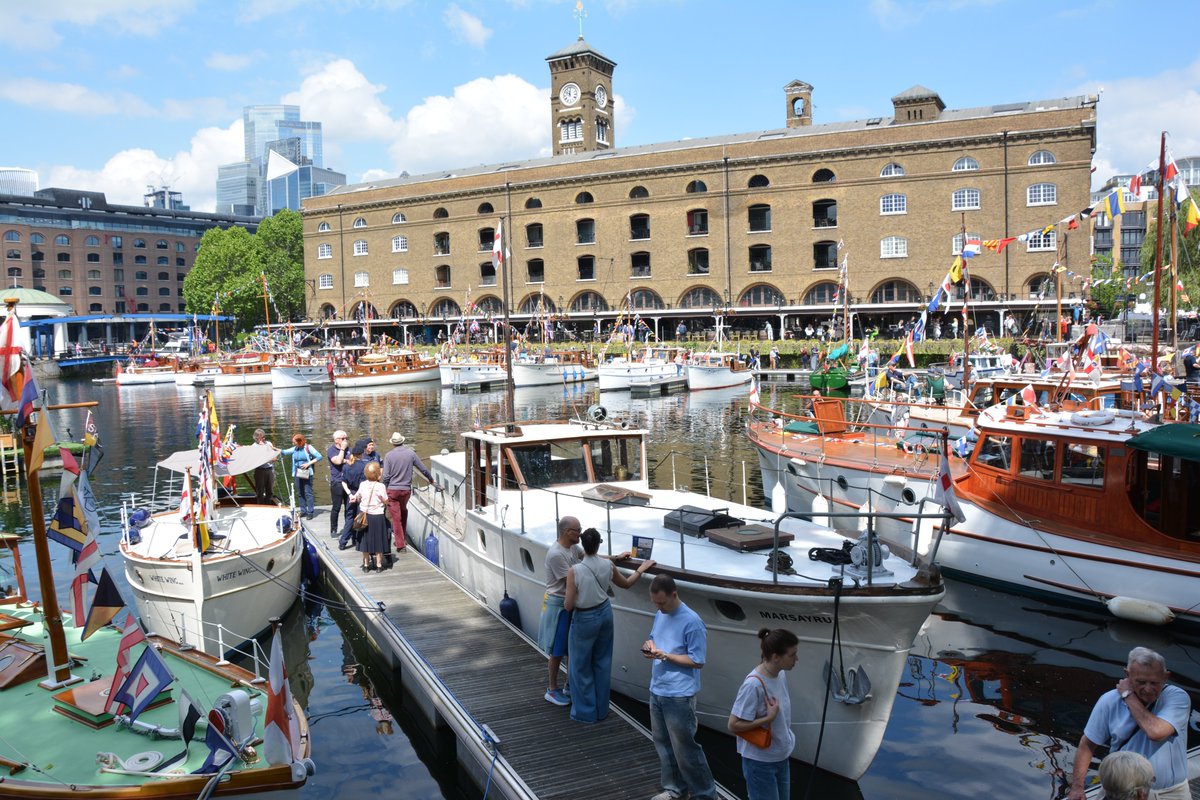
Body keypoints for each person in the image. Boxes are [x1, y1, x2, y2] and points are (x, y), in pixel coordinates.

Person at [1068, 647, 1190, 800]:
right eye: (1141, 682)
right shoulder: (1108, 701)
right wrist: (1077, 787)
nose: (1147, 689)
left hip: (1170, 793)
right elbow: (1087, 745)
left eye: (1154, 682)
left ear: (1166, 676)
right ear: (1127, 675)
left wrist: (1128, 695)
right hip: (1121, 791)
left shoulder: (1177, 697)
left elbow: (1156, 732)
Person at [564, 527, 654, 724]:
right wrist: (640, 569)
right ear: (598, 545)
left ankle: (585, 712)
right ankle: (601, 709)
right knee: (602, 662)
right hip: (605, 613)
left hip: (585, 618)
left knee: (579, 666)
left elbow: (568, 605)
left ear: (583, 545)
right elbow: (627, 584)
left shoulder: (575, 571)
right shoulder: (607, 565)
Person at [642, 574, 716, 800]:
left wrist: (666, 656)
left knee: (686, 749)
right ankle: (675, 789)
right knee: (663, 744)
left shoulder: (692, 622)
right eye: (655, 602)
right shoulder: (659, 613)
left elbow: (698, 660)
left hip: (679, 695)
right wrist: (649, 647)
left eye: (662, 602)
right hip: (658, 689)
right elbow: (653, 638)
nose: (658, 606)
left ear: (674, 595)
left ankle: (706, 794)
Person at [728, 628, 799, 800]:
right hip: (760, 762)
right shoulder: (753, 685)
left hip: (781, 755)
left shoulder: (780, 674)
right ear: (775, 657)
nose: (796, 659)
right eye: (792, 655)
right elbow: (733, 725)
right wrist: (768, 718)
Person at [538, 516, 583, 706]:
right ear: (567, 532)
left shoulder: (573, 547)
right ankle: (552, 689)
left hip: (569, 603)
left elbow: (588, 558)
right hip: (558, 606)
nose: (580, 533)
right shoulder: (556, 554)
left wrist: (612, 560)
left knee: (570, 648)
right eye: (577, 530)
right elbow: (572, 581)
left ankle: (569, 685)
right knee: (557, 650)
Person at [381, 431, 436, 552]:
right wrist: (431, 480)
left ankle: (400, 544)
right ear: (403, 441)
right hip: (406, 490)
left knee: (395, 518)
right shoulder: (410, 453)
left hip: (392, 490)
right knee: (403, 511)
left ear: (393, 444)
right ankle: (403, 538)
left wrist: (384, 488)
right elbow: (423, 469)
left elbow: (385, 476)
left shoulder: (389, 456)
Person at [350, 462, 389, 572]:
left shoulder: (363, 484)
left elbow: (357, 496)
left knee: (365, 541)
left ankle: (366, 565)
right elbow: (385, 500)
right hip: (377, 516)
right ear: (378, 474)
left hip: (364, 516)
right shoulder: (381, 486)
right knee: (378, 540)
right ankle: (379, 565)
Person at [280, 434, 322, 519]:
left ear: (299, 442)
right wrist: (274, 449)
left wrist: (308, 463)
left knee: (308, 492)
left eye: (294, 441)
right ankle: (303, 511)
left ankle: (310, 512)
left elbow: (319, 456)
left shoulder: (308, 448)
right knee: (300, 492)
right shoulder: (295, 448)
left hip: (306, 471)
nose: (293, 443)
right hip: (297, 472)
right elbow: (284, 452)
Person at [337, 441, 367, 550]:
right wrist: (356, 496)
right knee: (359, 518)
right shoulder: (364, 466)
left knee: (349, 518)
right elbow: (363, 484)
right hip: (360, 495)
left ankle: (343, 542)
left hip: (350, 494)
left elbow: (343, 482)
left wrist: (350, 494)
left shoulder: (346, 466)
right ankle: (357, 541)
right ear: (361, 454)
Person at [327, 430, 350, 537]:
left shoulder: (349, 450)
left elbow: (353, 461)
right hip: (337, 482)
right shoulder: (331, 450)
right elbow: (338, 461)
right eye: (343, 438)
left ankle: (348, 529)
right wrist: (342, 449)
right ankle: (333, 529)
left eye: (346, 438)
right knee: (336, 507)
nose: (346, 440)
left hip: (349, 482)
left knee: (348, 507)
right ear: (337, 440)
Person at [250, 428, 277, 504]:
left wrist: (268, 457)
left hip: (270, 469)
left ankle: (269, 505)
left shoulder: (269, 444)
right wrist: (261, 449)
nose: (264, 438)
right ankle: (260, 505)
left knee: (270, 491)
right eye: (262, 437)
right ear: (256, 438)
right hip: (259, 471)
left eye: (264, 437)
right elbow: (253, 460)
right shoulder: (253, 446)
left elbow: (274, 457)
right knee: (260, 491)